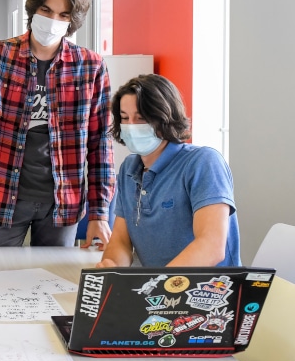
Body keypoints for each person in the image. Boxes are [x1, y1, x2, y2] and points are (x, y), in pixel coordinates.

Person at [0, 0, 115, 249]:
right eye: (46, 10)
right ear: (33, 10)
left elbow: (100, 144)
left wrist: (99, 212)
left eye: (63, 16)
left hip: (62, 203)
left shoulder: (90, 66)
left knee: (53, 282)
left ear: (72, 21)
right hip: (2, 196)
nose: (53, 21)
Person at [97, 74, 240, 268]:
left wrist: (156, 284)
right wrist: (112, 267)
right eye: (124, 118)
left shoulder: (203, 162)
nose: (131, 126)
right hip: (157, 292)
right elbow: (121, 240)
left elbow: (211, 246)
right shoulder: (128, 169)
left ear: (165, 117)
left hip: (210, 290)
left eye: (141, 118)